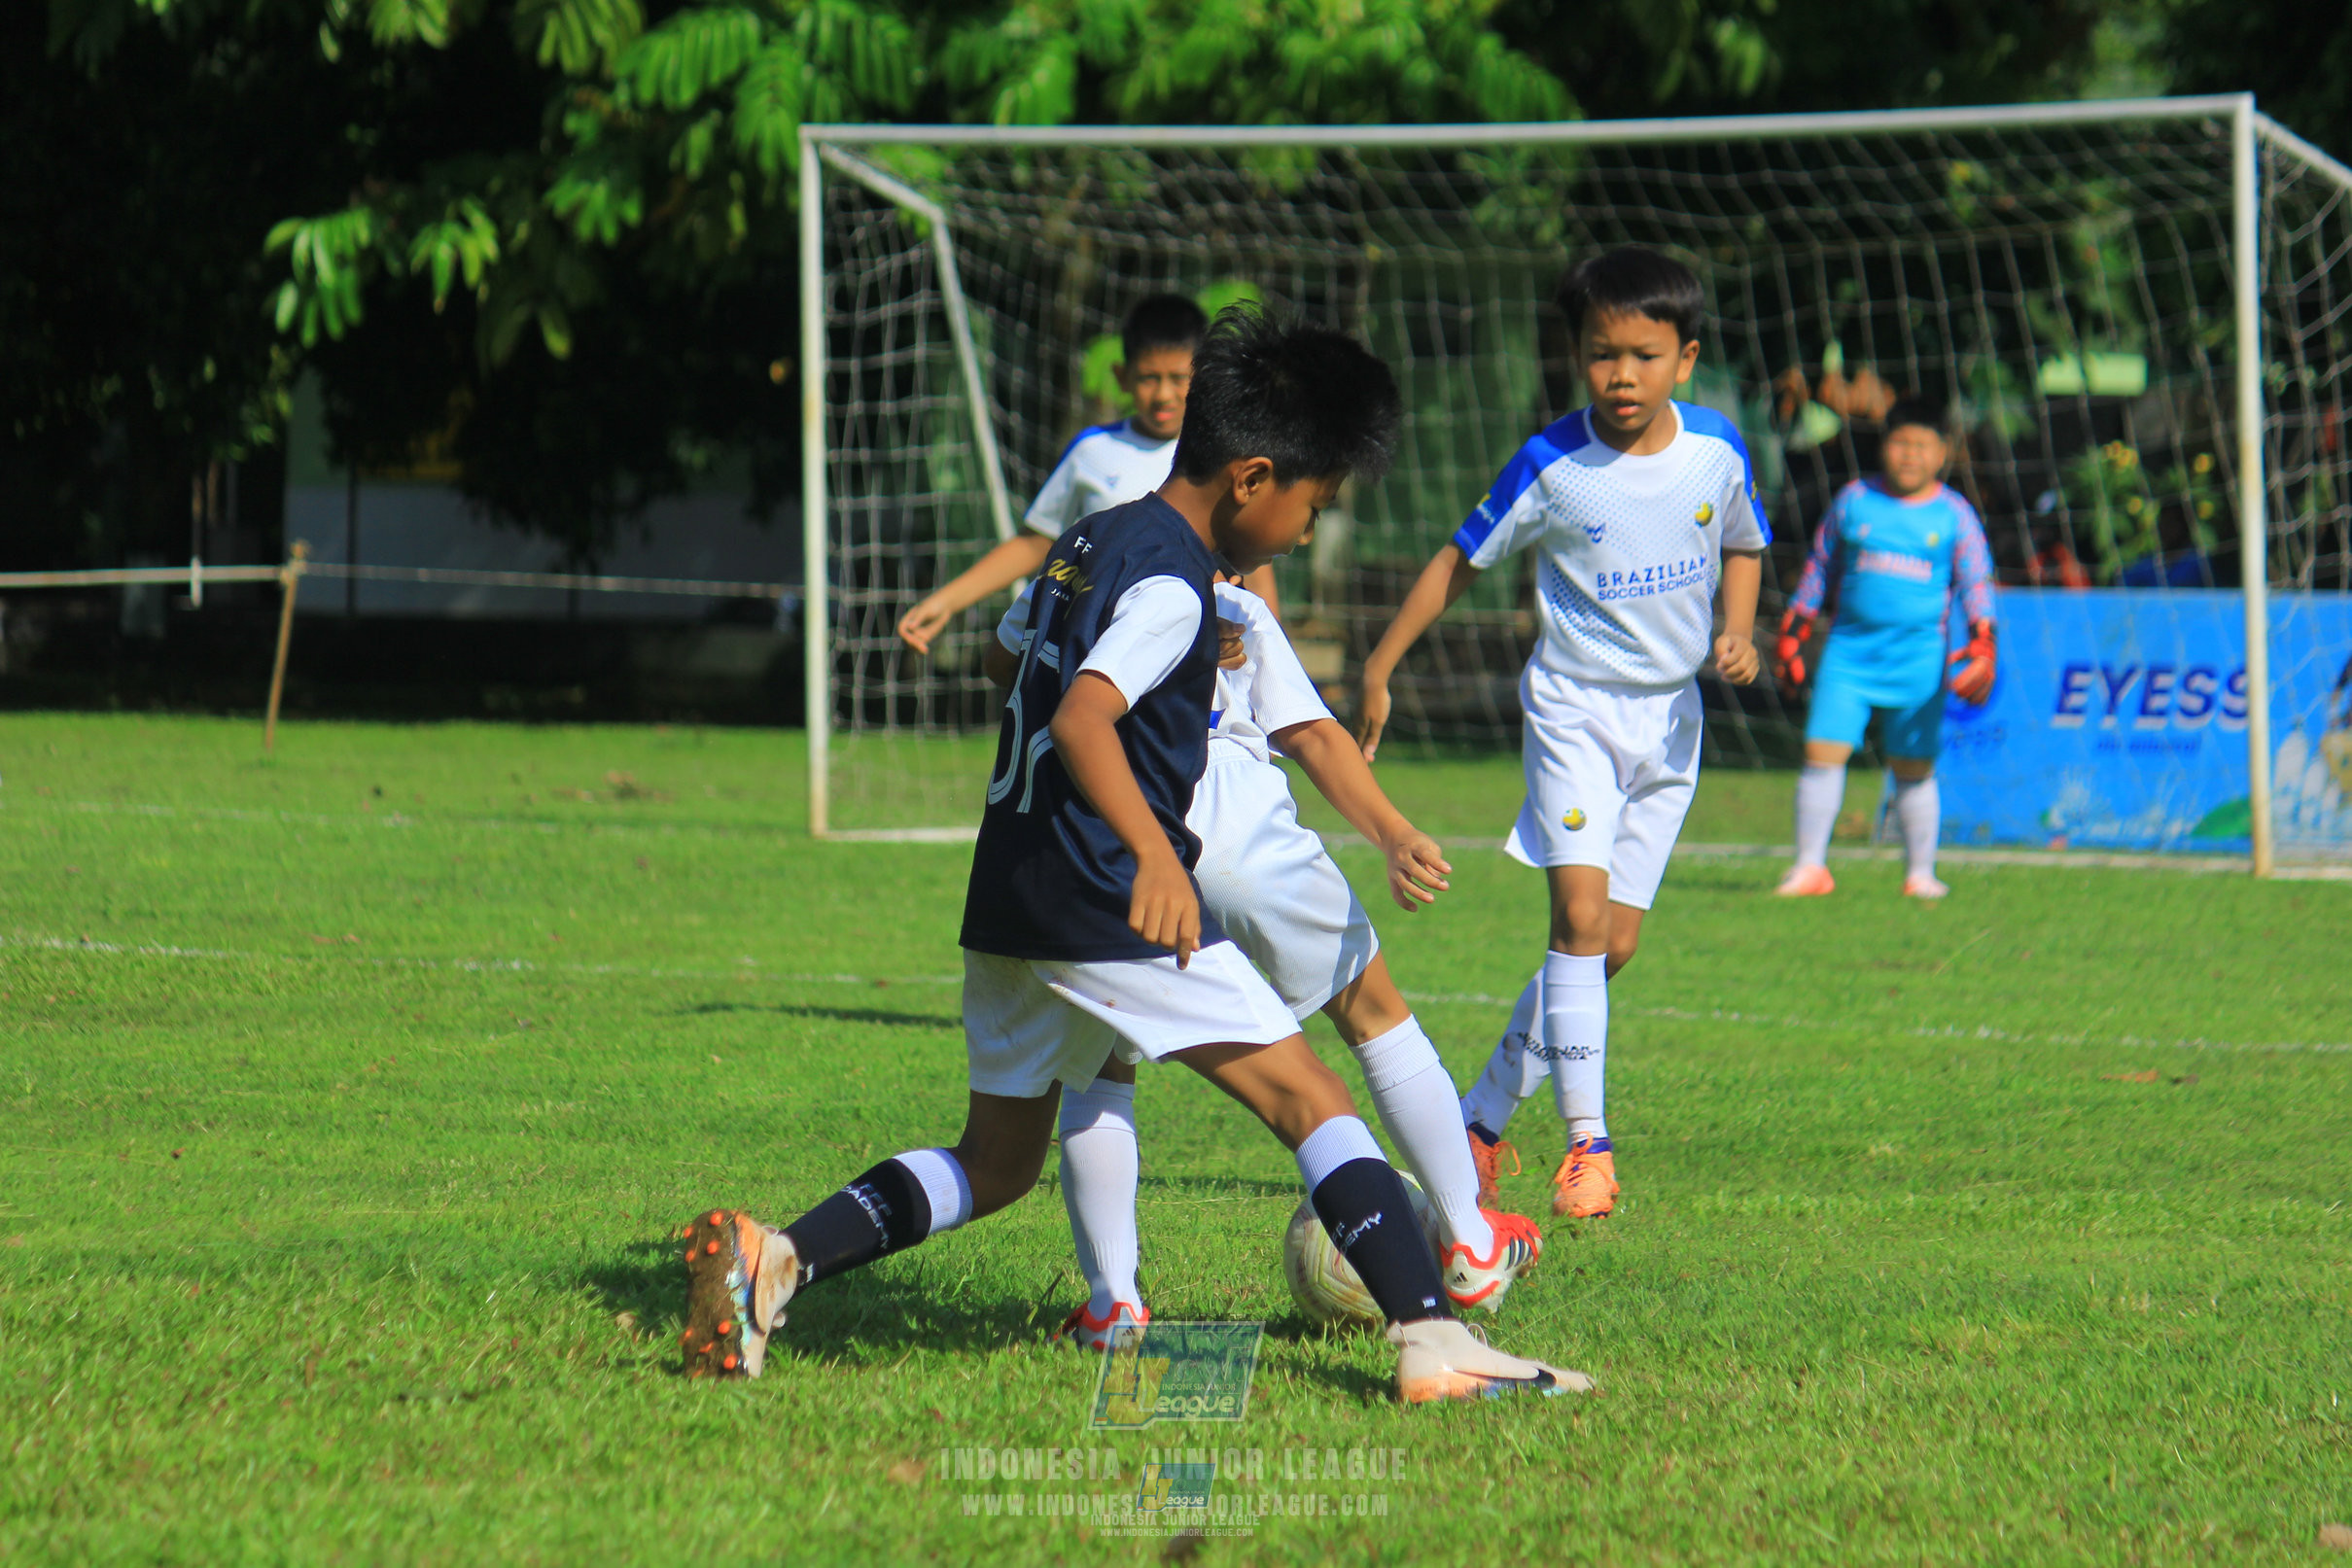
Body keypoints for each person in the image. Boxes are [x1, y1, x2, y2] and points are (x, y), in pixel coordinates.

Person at [685, 309, 1587, 1403]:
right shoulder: (1173, 581)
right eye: (1313, 503)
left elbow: (1011, 664)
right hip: (1101, 894)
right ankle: (1433, 1336)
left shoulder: (1090, 541)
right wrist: (1154, 856)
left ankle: (778, 1257)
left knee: (996, 1160)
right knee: (1312, 1098)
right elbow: (1083, 716)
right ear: (1253, 478)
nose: (1306, 531)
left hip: (1010, 889)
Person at [986, 575, 1544, 1348]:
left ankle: (1113, 1304)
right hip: (1241, 826)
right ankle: (1469, 1240)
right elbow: (1309, 730)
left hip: (1118, 830)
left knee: (1102, 1069)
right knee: (1371, 1013)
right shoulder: (1229, 601)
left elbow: (1001, 660)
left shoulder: (1071, 563)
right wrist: (1389, 829)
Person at [1354, 248, 1767, 1223]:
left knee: (1606, 946)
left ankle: (1479, 1125)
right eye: (1600, 354)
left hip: (1670, 726)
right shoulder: (1551, 466)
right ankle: (1589, 1142)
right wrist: (1378, 665)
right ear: (1577, 357)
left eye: (1643, 355)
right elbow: (1458, 558)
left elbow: (1745, 541)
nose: (1621, 374)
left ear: (1685, 359)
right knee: (1577, 926)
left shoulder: (1716, 451)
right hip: (1575, 713)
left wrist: (1736, 629)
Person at [896, 296, 1277, 653]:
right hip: (1102, 646)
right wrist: (947, 601)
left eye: (1178, 378)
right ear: (1122, 376)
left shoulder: (1227, 456)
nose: (1163, 394)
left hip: (1200, 651)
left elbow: (1254, 564)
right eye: (1148, 378)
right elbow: (1036, 542)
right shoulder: (1093, 451)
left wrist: (1270, 655)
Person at [1772, 399, 1997, 900]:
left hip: (1920, 660)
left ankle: (1920, 874)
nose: (1909, 455)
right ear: (1883, 446)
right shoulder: (1854, 501)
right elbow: (1818, 569)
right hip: (1848, 654)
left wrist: (1984, 640)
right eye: (1900, 443)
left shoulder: (1955, 515)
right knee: (1821, 753)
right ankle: (1809, 868)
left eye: (1921, 445)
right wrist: (1794, 629)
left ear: (1942, 453)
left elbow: (1976, 583)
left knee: (1913, 767)